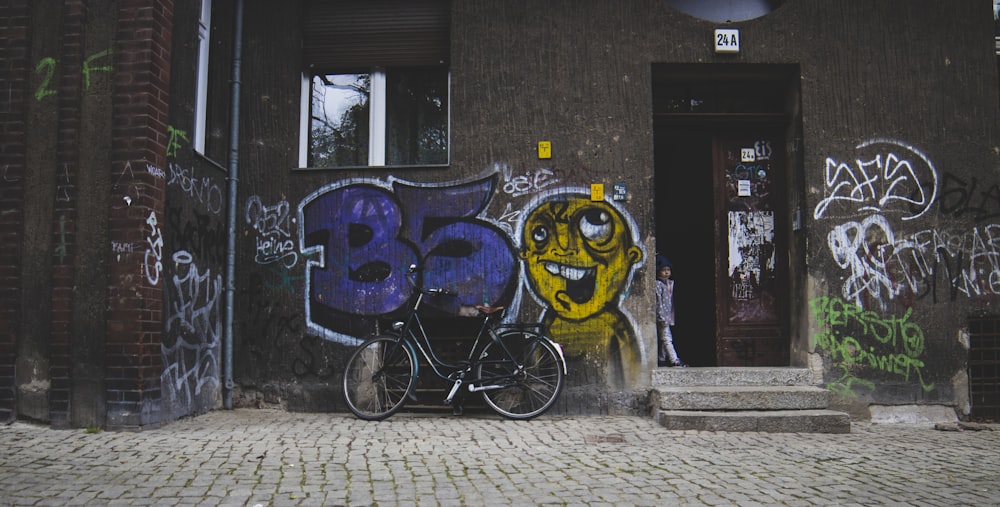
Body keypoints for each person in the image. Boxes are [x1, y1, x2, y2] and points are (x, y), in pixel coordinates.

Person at [656, 255, 686, 367]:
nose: (666, 272)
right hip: (662, 316)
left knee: (664, 339)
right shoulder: (658, 285)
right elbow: (658, 302)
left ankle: (661, 358)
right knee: (667, 338)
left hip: (667, 315)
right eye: (663, 270)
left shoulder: (669, 284)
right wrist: (661, 316)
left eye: (668, 270)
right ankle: (674, 359)